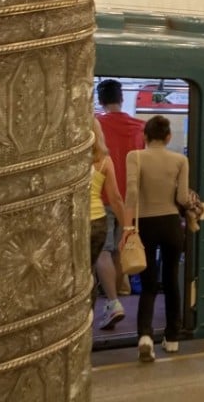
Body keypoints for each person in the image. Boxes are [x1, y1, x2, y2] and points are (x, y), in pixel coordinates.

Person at [122, 115, 190, 363]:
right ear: (169, 137)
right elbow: (182, 198)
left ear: (145, 136)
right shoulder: (181, 160)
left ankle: (145, 337)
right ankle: (172, 338)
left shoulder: (135, 156)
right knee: (171, 281)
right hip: (172, 224)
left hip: (145, 225)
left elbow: (131, 193)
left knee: (148, 283)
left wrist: (128, 228)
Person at [95, 79, 146, 309]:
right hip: (130, 200)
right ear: (122, 98)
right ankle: (121, 293)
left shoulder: (96, 124)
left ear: (100, 100)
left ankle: (112, 300)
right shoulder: (139, 126)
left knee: (103, 251)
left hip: (103, 197)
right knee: (118, 249)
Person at [89, 119, 126, 324]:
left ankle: (84, 319)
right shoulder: (104, 160)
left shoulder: (71, 158)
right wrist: (127, 227)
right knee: (101, 258)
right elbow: (115, 198)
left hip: (76, 224)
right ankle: (112, 304)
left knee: (82, 274)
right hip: (98, 221)